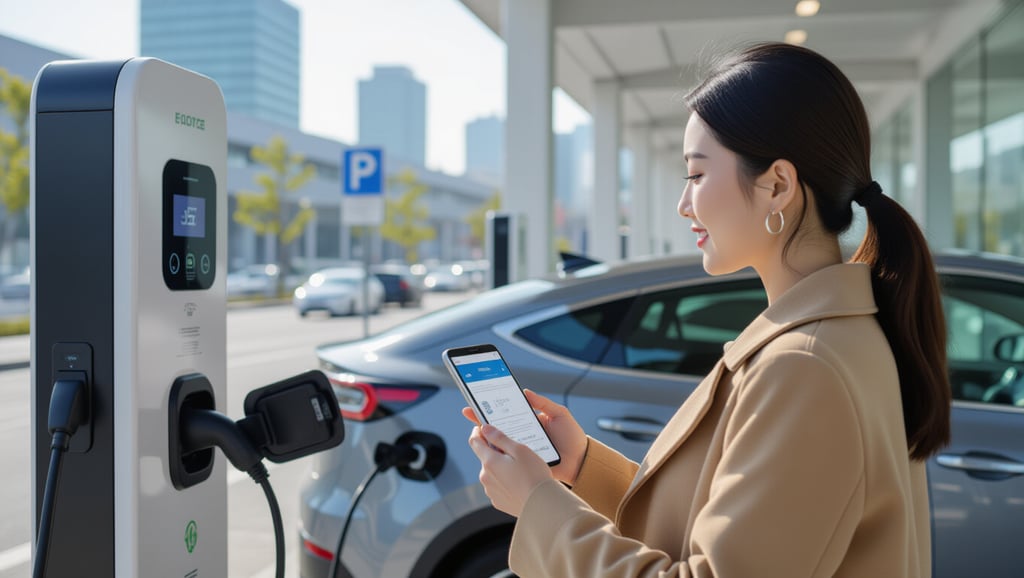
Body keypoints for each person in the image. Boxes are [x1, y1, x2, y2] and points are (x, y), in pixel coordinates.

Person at [463, 41, 951, 578]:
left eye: (697, 175)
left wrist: (537, 503)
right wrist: (581, 465)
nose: (684, 203)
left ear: (777, 185)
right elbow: (718, 532)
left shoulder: (806, 366)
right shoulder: (828, 342)